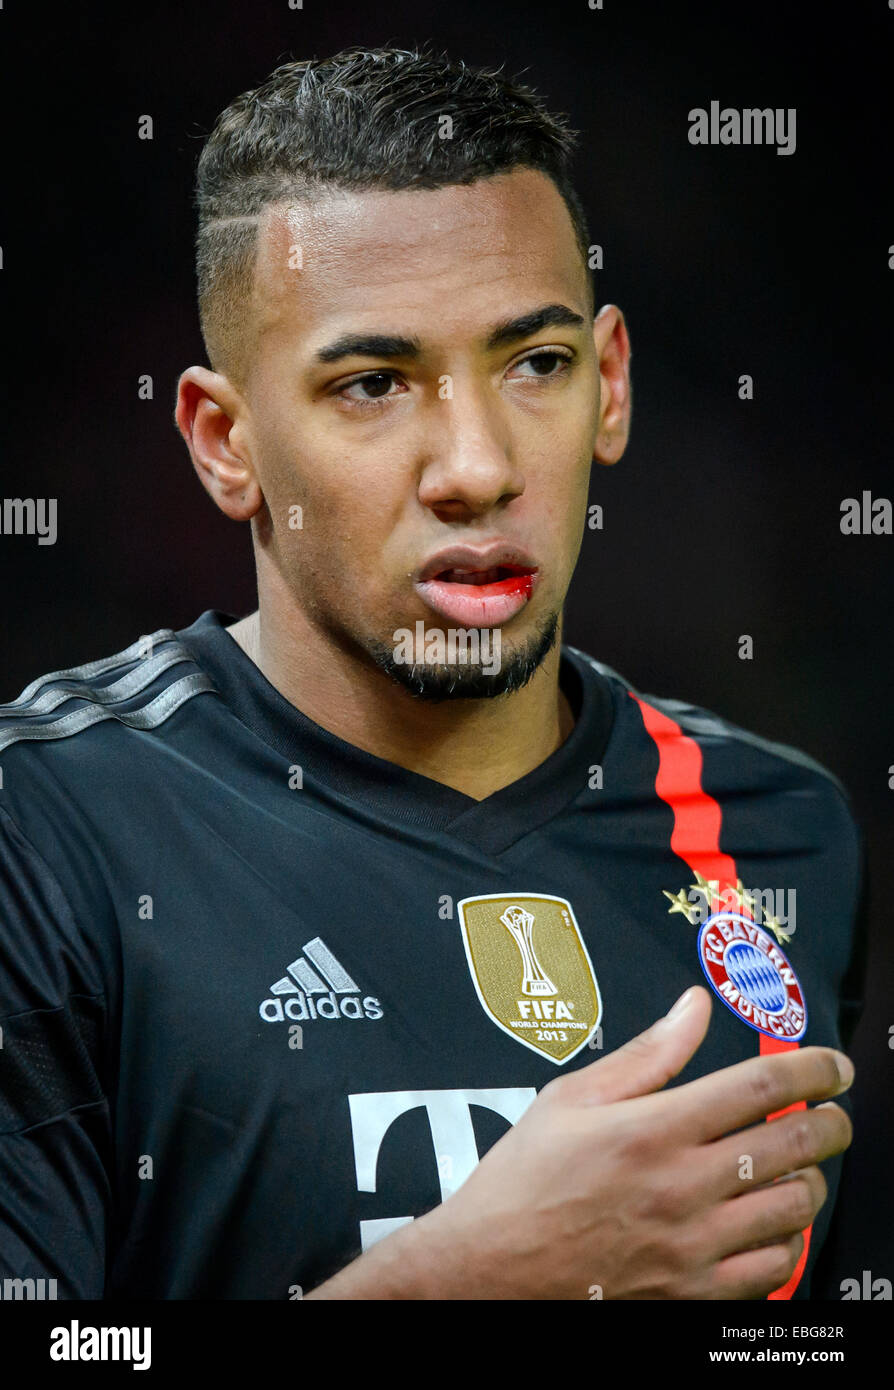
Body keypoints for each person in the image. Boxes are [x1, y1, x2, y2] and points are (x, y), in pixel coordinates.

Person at [0, 45, 865, 1300]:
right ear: (226, 442)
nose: (475, 464)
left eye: (537, 364)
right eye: (373, 384)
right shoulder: (50, 830)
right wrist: (469, 1279)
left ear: (611, 385)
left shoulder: (786, 834)